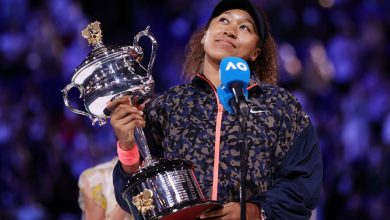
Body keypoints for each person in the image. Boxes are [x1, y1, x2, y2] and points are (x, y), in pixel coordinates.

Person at [109, 0, 323, 219]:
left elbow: (304, 181)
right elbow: (136, 197)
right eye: (223, 20)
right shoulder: (167, 105)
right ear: (204, 37)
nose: (230, 31)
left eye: (244, 27)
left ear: (256, 53)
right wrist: (127, 146)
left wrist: (257, 212)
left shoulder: (280, 106)